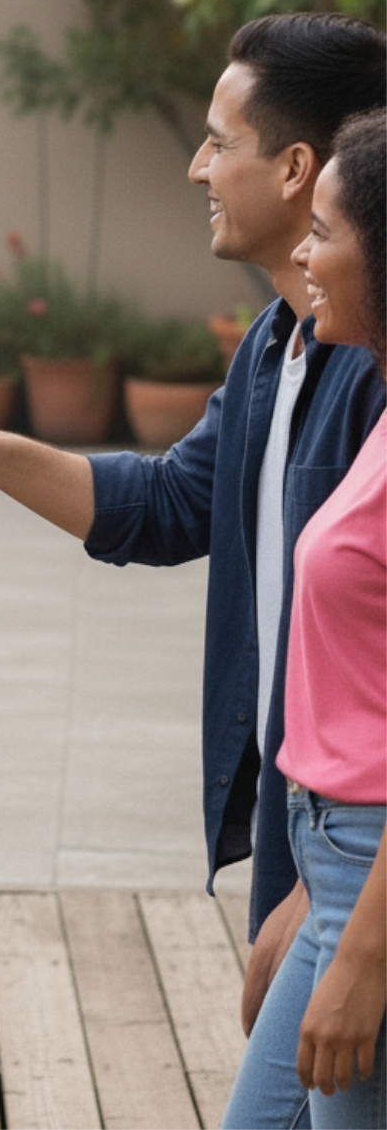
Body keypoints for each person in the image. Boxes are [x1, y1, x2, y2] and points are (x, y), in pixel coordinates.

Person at [0, 14, 387, 1047]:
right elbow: (165, 506)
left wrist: (337, 898)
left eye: (215, 140)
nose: (196, 165)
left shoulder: (369, 370)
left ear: (293, 167)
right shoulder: (271, 346)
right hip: (308, 821)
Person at [223, 107, 387, 1123]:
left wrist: (361, 945)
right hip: (333, 859)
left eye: (322, 229)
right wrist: (304, 887)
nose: (301, 250)